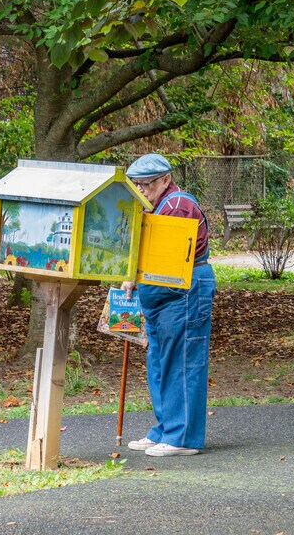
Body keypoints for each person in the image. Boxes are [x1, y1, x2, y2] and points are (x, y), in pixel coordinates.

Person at [121, 153, 216, 457]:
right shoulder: (158, 203)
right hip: (163, 294)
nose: (141, 190)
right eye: (136, 185)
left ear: (165, 180)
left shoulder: (177, 205)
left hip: (184, 292)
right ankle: (165, 429)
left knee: (182, 362)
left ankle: (183, 437)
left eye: (146, 184)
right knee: (160, 363)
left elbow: (166, 256)